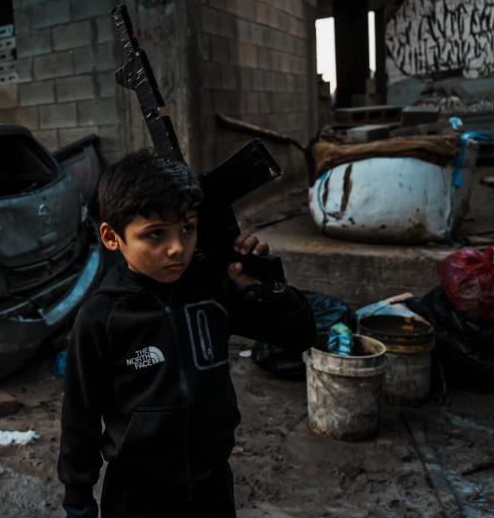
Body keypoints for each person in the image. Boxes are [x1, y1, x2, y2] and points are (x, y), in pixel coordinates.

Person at [58, 150, 316, 518]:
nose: (177, 247)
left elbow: (300, 334)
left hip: (212, 486)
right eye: (155, 235)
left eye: (187, 228)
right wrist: (78, 503)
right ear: (112, 238)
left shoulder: (214, 291)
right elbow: (79, 419)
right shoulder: (101, 318)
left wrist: (268, 285)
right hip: (136, 496)